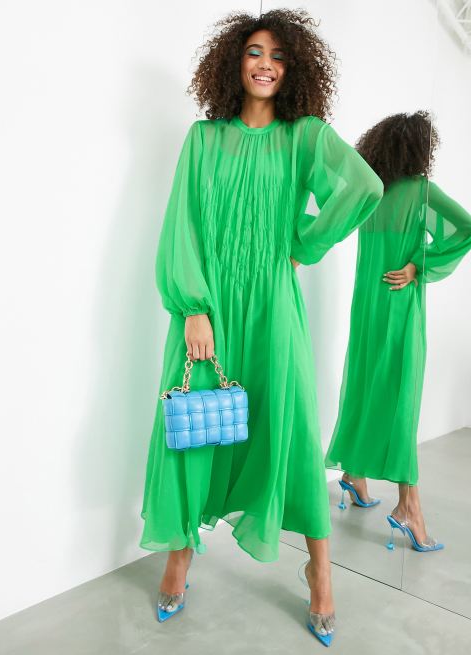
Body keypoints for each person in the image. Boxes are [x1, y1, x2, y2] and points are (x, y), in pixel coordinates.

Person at [139, 9, 383, 644]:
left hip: (274, 307)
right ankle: (179, 557)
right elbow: (182, 223)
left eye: (277, 54)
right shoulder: (203, 139)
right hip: (209, 307)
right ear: (234, 61)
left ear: (292, 67)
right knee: (192, 429)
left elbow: (363, 186)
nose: (265, 63)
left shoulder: (305, 137)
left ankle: (320, 571)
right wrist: (193, 306)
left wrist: (303, 244)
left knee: (290, 428)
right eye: (253, 51)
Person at [325, 111, 471, 552]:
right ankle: (408, 506)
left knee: (364, 386)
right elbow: (469, 230)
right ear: (418, 150)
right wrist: (417, 265)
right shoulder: (420, 192)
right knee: (401, 399)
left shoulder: (372, 192)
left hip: (366, 306)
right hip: (398, 307)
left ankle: (355, 475)